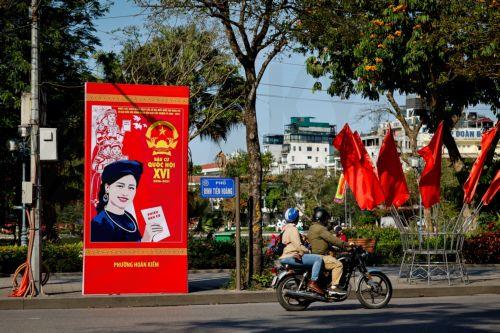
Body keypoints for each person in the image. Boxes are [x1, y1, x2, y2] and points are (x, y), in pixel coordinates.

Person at [91, 160, 162, 242]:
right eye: (120, 186)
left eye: (131, 188)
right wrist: (146, 240)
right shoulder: (99, 223)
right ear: (107, 187)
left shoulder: (129, 217)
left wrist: (149, 237)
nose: (125, 193)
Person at [279, 208, 324, 295]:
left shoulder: (285, 229)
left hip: (286, 256)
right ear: (296, 218)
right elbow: (298, 246)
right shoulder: (293, 229)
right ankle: (313, 282)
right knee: (318, 259)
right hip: (291, 256)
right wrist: (309, 250)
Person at [308, 207, 352, 295]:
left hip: (315, 255)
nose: (327, 221)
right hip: (321, 256)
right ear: (322, 218)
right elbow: (333, 239)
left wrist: (337, 248)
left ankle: (327, 284)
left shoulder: (312, 227)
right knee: (338, 265)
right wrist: (347, 244)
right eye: (326, 219)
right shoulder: (320, 229)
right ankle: (334, 288)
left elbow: (322, 243)